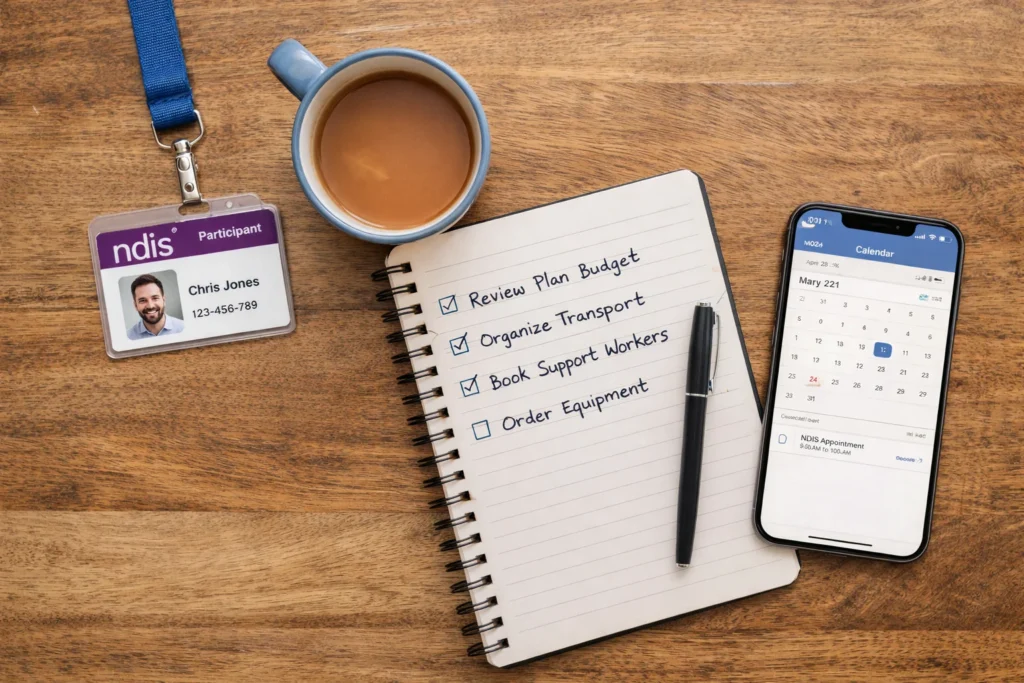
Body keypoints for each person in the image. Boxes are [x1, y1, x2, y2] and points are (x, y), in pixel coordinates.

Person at [126, 274, 184, 340]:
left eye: (155, 298)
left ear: (164, 300)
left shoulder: (183, 328)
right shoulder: (128, 337)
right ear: (135, 305)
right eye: (143, 300)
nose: (150, 306)